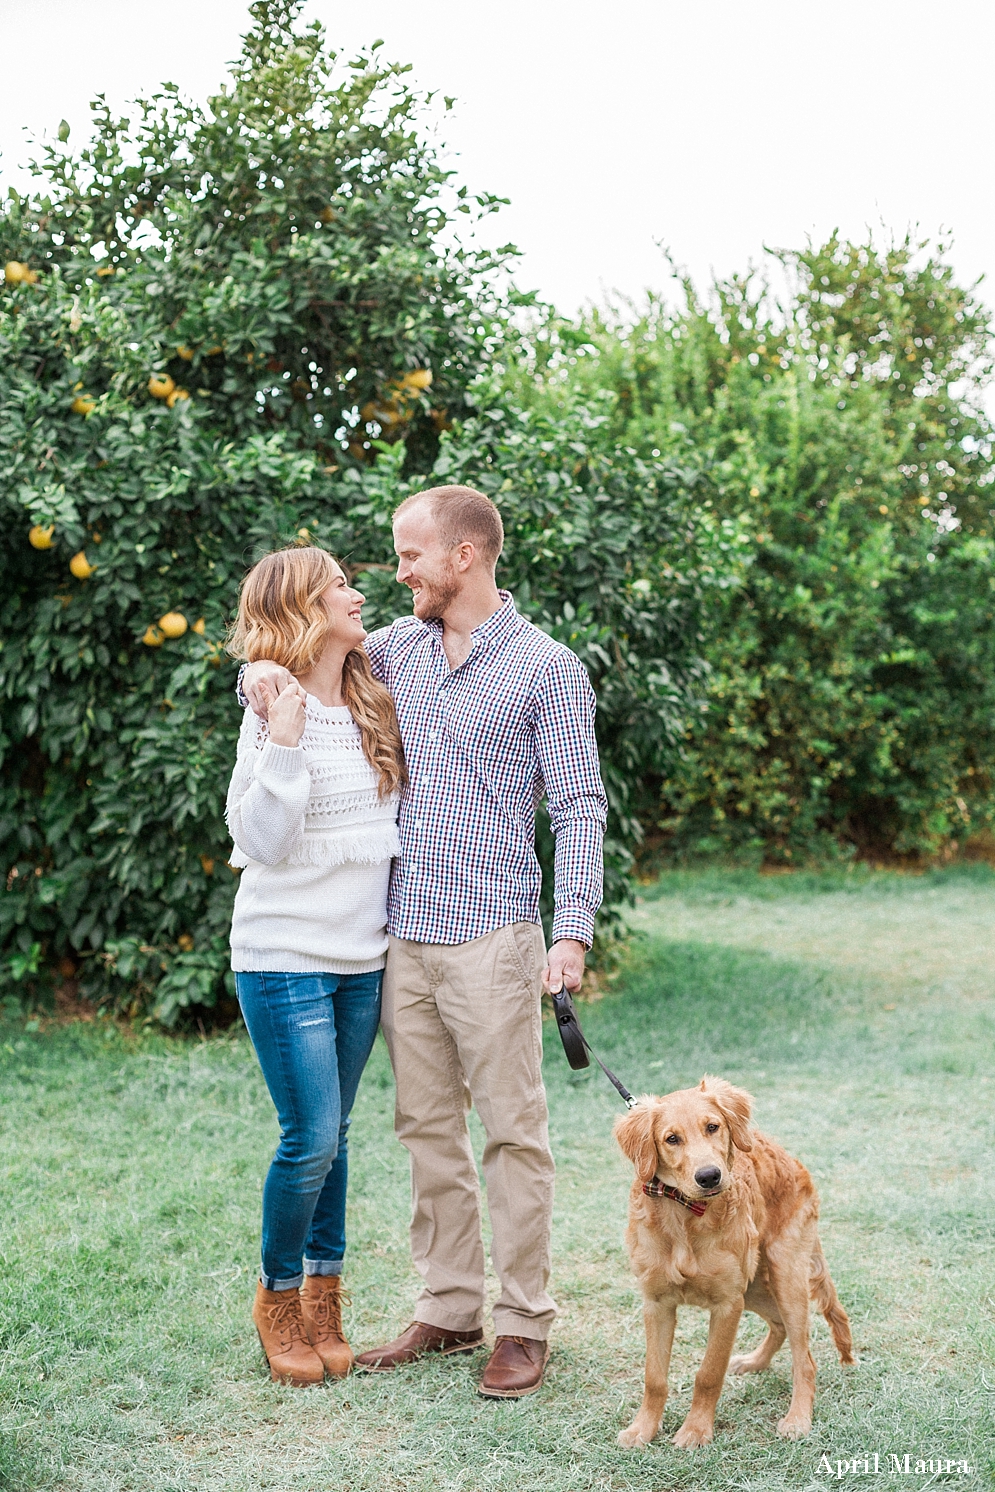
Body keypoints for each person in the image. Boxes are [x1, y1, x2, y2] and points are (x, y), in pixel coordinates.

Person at [240, 485, 607, 1399]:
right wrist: (255, 677)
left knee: (512, 1135)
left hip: (494, 935)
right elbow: (294, 667)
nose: (395, 572)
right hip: (395, 940)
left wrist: (572, 930)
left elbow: (578, 805)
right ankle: (448, 1307)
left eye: (409, 556)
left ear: (463, 557)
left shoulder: (546, 668)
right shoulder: (392, 651)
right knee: (425, 1132)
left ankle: (522, 1323)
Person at [226, 545, 405, 1386]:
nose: (357, 593)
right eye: (340, 584)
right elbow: (257, 840)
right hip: (283, 956)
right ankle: (278, 1297)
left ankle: (326, 1301)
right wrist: (285, 740)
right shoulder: (270, 705)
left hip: (360, 962)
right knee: (308, 1140)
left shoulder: (373, 693)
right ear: (303, 605)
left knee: (335, 1136)